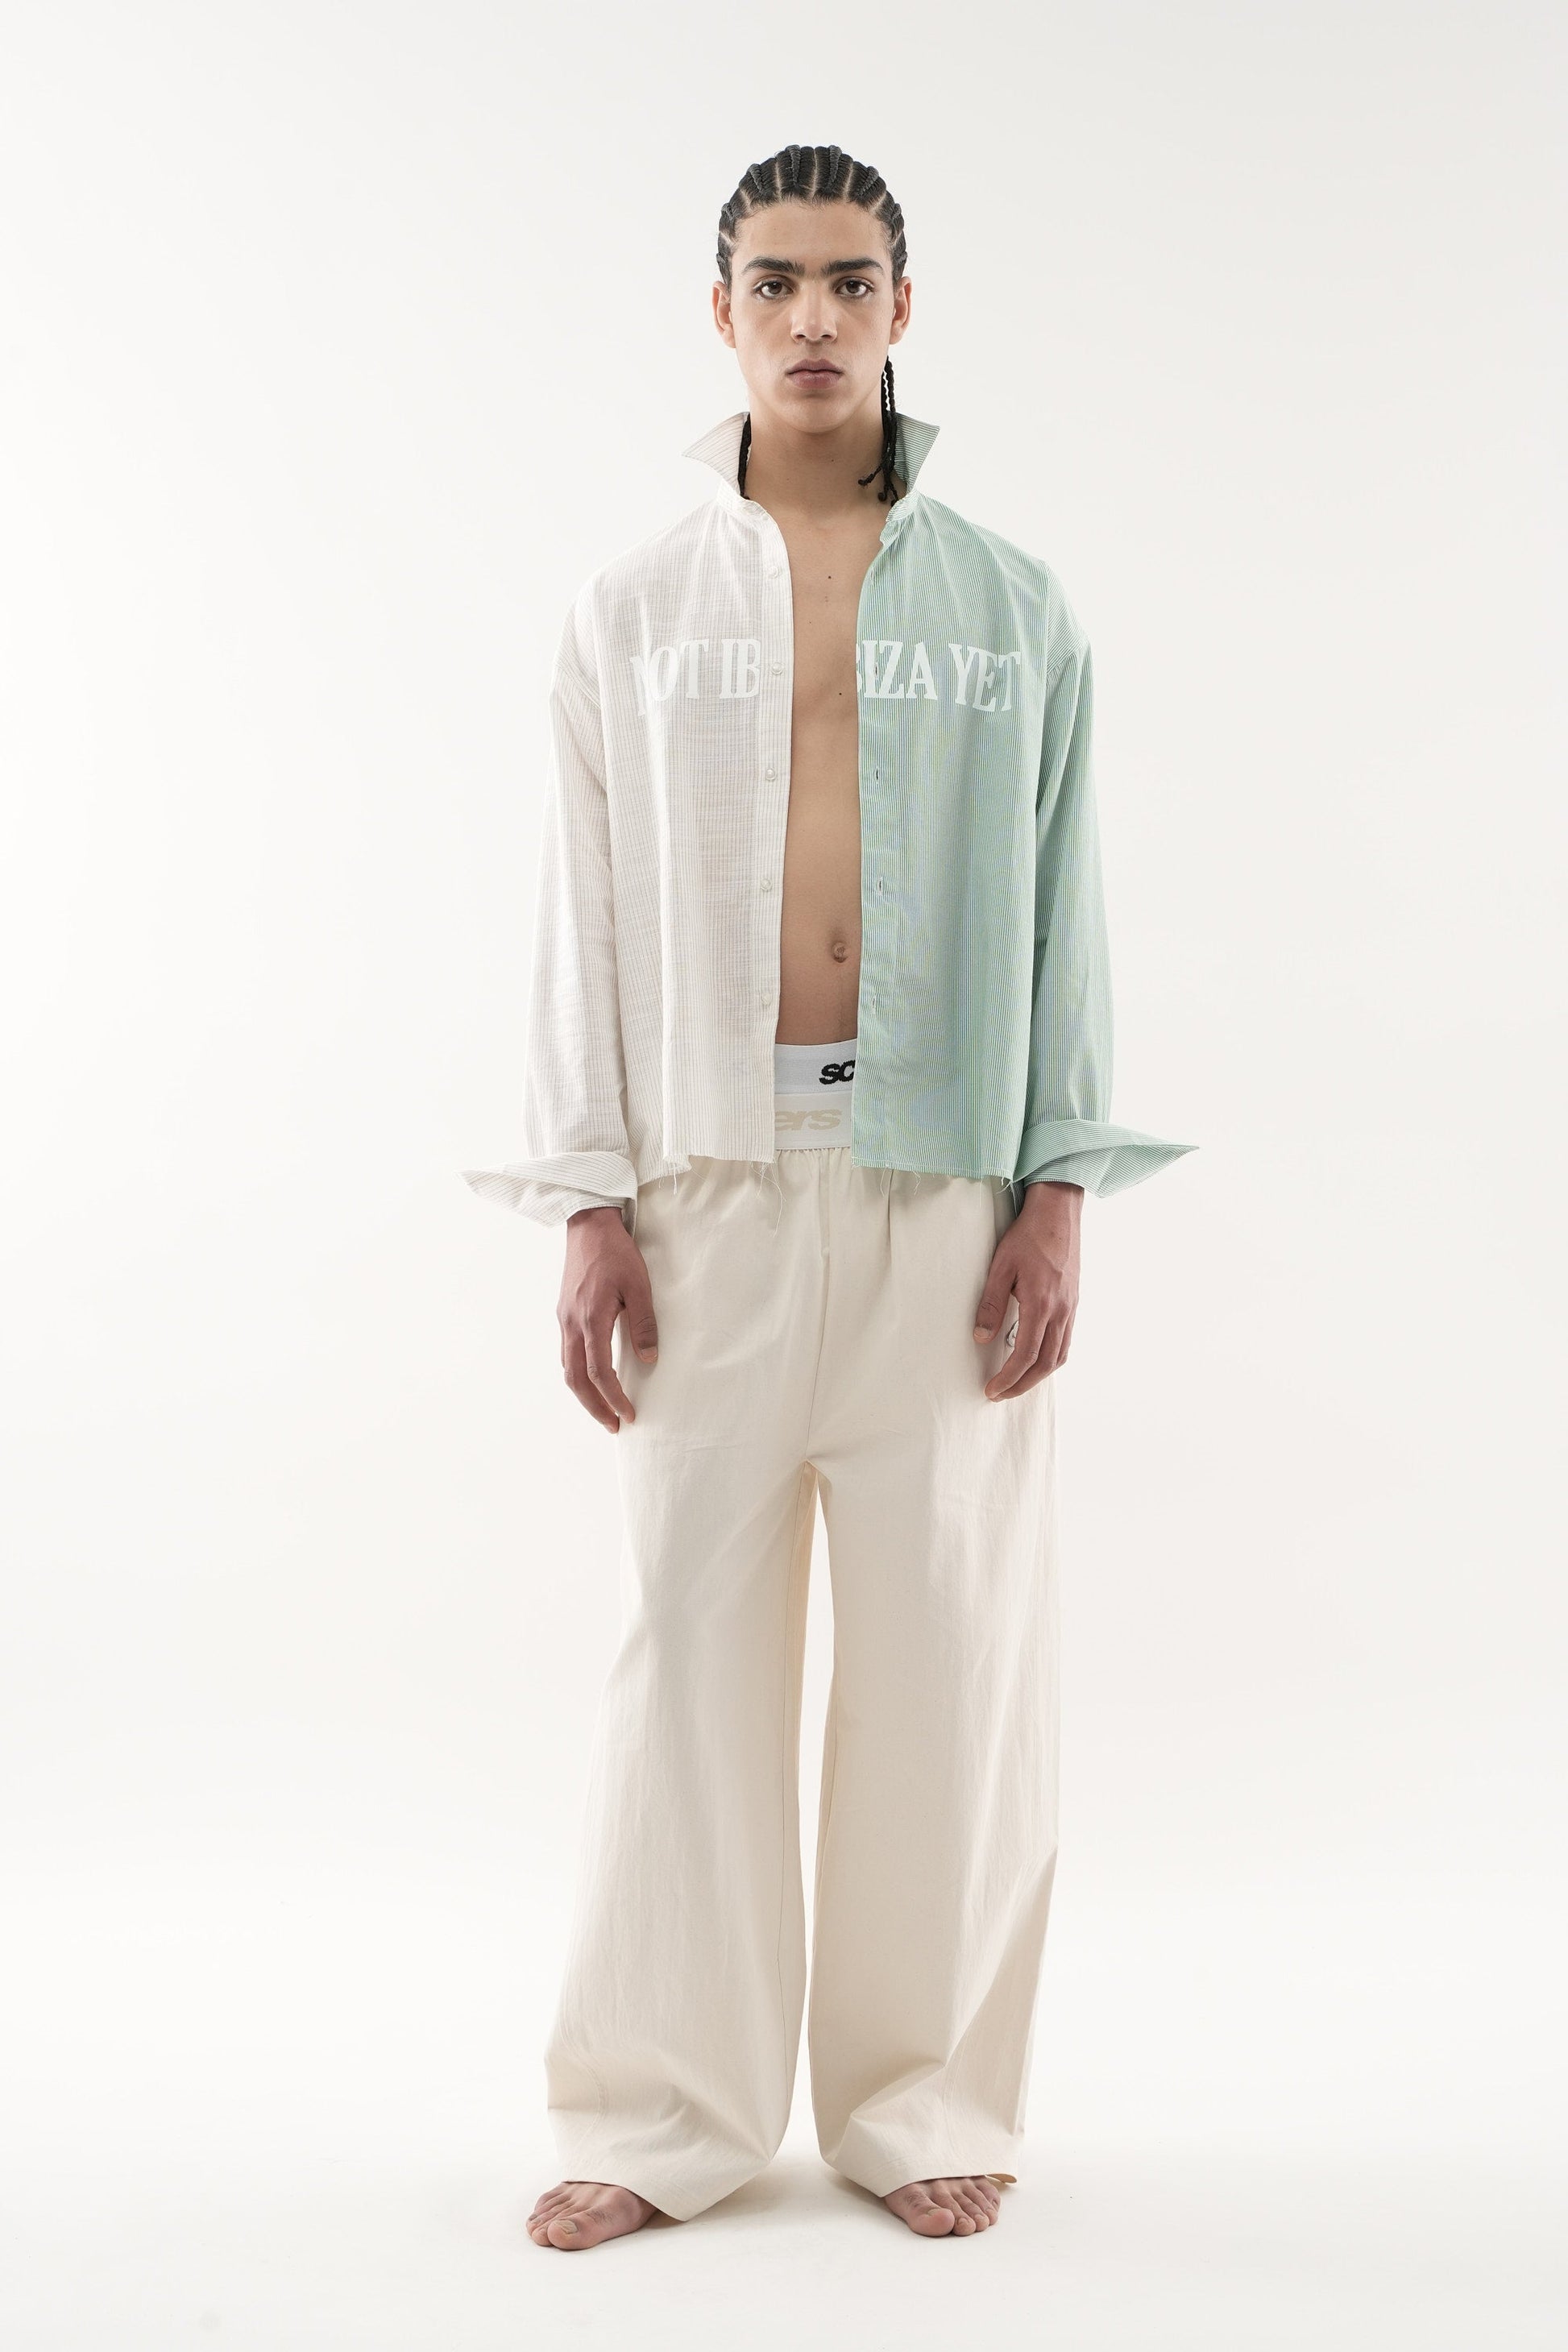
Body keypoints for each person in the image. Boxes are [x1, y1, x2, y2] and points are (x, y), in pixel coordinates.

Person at [463, 143, 1193, 2249]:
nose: (809, 318)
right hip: (705, 1185)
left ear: (899, 307)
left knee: (947, 1654)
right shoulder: (629, 609)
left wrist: (1058, 1182)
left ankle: (921, 2095)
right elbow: (581, 916)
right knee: (684, 1652)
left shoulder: (1011, 605)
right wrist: (589, 1199)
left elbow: (1065, 903)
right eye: (772, 281)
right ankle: (659, 2111)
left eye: (846, 281)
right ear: (721, 312)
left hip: (941, 1187)